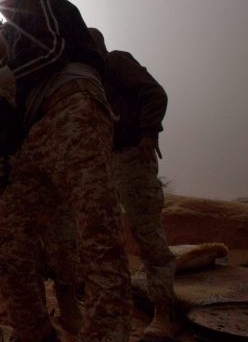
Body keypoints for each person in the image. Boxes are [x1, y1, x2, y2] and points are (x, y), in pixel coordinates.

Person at [0, 0, 131, 342]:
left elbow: (52, 50)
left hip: (74, 109)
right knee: (6, 236)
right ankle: (35, 334)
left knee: (97, 233)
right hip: (38, 134)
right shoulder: (11, 51)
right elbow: (12, 121)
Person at [0, 12, 83, 336]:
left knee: (62, 235)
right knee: (18, 240)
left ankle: (69, 305)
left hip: (48, 143)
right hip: (14, 159)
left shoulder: (26, 47)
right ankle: (34, 321)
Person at [88, 27, 178, 341]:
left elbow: (155, 93)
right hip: (106, 163)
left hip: (131, 157)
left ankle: (164, 312)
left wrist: (148, 133)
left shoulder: (115, 62)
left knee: (148, 236)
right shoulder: (89, 81)